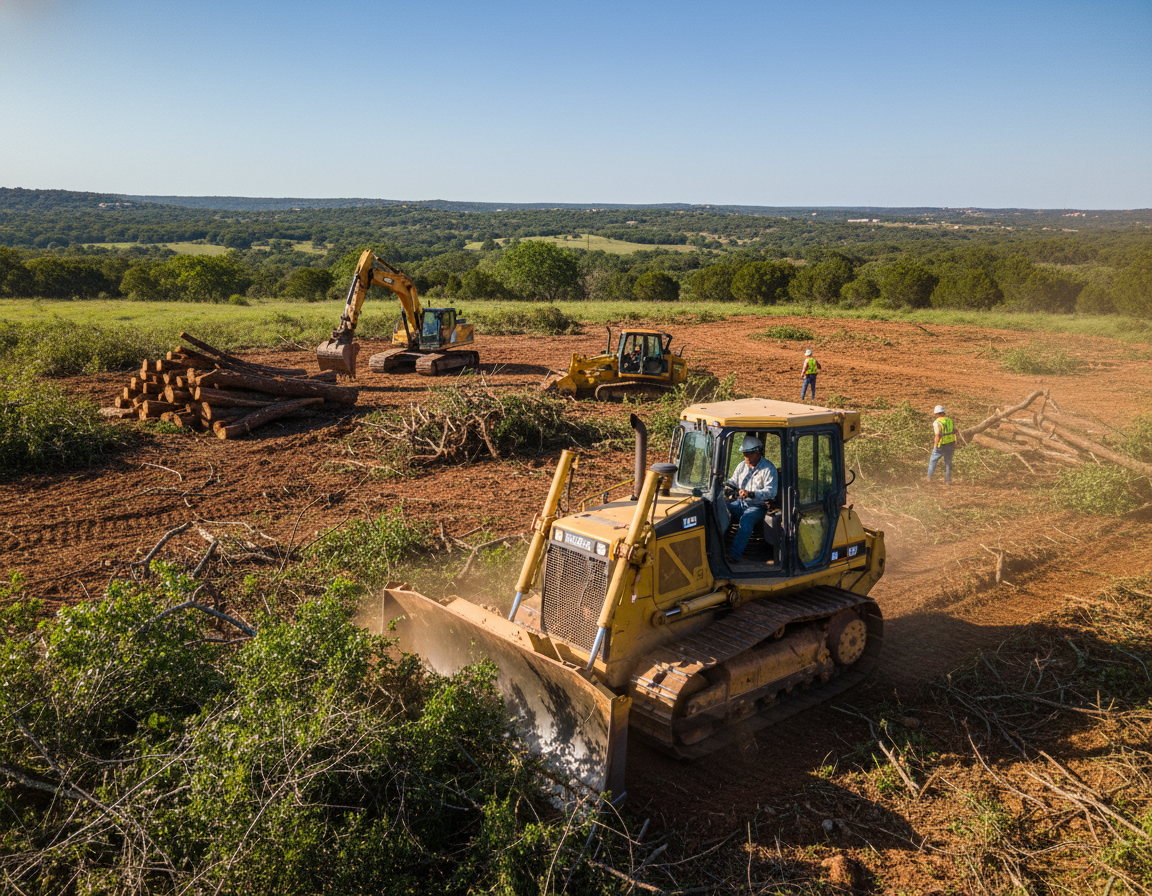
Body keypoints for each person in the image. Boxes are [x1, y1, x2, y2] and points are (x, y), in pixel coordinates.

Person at [725, 434, 778, 564]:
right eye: (744, 454)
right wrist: (727, 487)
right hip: (740, 503)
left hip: (758, 506)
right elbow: (733, 481)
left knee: (746, 519)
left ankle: (734, 556)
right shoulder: (741, 466)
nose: (746, 458)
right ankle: (721, 548)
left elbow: (771, 492)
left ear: (757, 452)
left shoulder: (768, 469)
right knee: (721, 507)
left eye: (749, 454)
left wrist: (751, 494)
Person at [926, 404, 956, 485]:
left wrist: (935, 446)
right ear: (944, 413)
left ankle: (929, 479)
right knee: (948, 463)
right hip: (951, 444)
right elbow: (954, 430)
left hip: (941, 445)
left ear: (936, 414)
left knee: (932, 461)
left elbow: (937, 436)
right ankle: (948, 481)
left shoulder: (937, 422)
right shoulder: (950, 420)